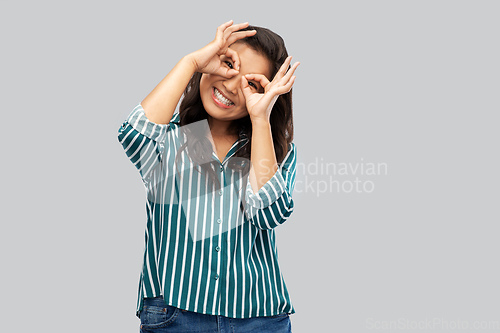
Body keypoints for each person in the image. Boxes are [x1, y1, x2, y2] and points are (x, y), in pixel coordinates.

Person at [117, 20, 300, 333]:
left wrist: (260, 121)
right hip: (174, 315)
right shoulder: (169, 139)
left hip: (259, 319)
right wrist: (191, 62)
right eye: (228, 64)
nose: (231, 85)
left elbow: (270, 213)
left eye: (252, 84)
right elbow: (133, 133)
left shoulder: (276, 149)